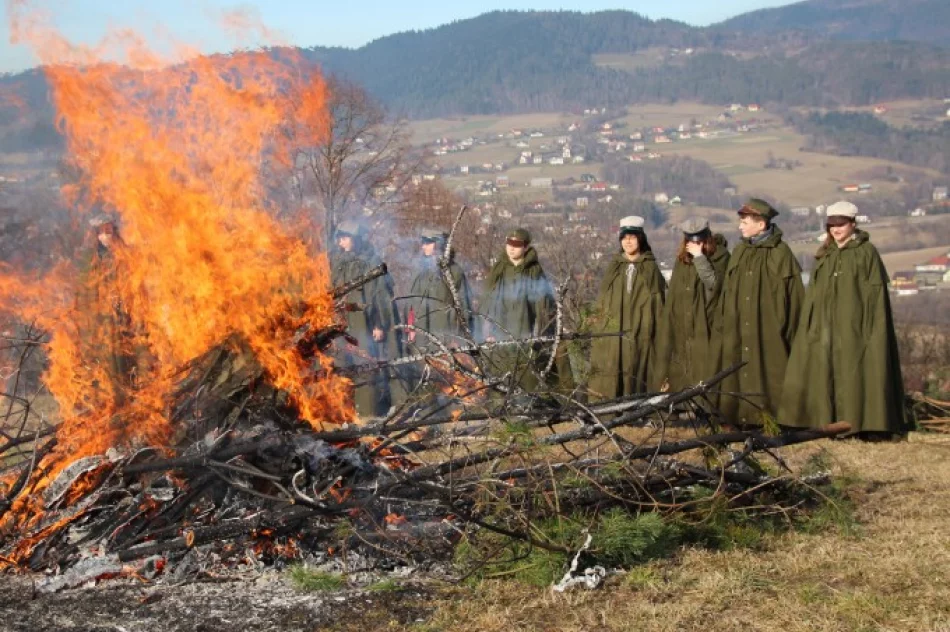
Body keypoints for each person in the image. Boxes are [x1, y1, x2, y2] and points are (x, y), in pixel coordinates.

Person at [779, 202, 909, 439]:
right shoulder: (825, 255)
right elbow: (815, 295)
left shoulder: (866, 252)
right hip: (824, 329)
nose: (836, 229)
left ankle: (860, 425)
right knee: (824, 374)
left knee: (855, 374)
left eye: (841, 224)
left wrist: (869, 329)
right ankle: (824, 424)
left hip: (855, 328)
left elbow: (875, 296)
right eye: (832, 225)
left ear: (852, 224)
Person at [718, 198, 804, 427]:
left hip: (769, 328)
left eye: (745, 222)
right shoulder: (739, 252)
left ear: (761, 224)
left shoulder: (781, 254)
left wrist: (787, 329)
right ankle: (740, 416)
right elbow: (728, 290)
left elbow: (794, 297)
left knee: (771, 371)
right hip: (738, 326)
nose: (740, 226)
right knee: (737, 369)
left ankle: (774, 419)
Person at [480, 228, 573, 392]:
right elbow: (487, 300)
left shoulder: (534, 271)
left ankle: (531, 408)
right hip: (500, 330)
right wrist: (486, 329)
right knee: (500, 375)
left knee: (528, 374)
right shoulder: (499, 269)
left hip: (526, 329)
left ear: (525, 247)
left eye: (517, 244)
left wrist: (544, 330)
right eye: (509, 243)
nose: (511, 248)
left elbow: (545, 303)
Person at [329, 220, 404, 417]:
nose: (341, 243)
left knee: (363, 364)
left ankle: (368, 413)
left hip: (363, 322)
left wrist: (379, 324)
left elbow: (380, 296)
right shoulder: (338, 262)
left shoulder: (370, 262)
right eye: (340, 239)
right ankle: (344, 413)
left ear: (356, 239)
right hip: (339, 323)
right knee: (341, 366)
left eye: (345, 238)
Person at [587, 216, 666, 400]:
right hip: (614, 331)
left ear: (641, 239)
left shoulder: (650, 267)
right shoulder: (614, 267)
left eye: (632, 237)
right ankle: (609, 408)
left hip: (642, 330)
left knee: (638, 366)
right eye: (624, 238)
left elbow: (658, 303)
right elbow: (603, 299)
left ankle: (639, 408)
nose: (628, 242)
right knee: (612, 367)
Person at [76, 213, 143, 406]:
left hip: (125, 316)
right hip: (101, 320)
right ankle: (109, 401)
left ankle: (131, 397)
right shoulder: (91, 260)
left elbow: (135, 283)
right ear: (96, 235)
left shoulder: (125, 255)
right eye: (102, 232)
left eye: (109, 230)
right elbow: (85, 292)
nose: (107, 235)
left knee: (128, 358)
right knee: (105, 362)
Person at [657, 217, 730, 392]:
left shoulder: (720, 256)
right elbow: (674, 294)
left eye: (699, 241)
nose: (695, 245)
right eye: (691, 241)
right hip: (682, 325)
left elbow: (714, 284)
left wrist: (699, 257)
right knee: (681, 371)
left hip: (707, 324)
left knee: (705, 371)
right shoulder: (682, 261)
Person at [399, 228, 473, 391]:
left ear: (439, 244)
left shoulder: (454, 271)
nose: (424, 246)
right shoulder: (419, 270)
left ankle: (449, 410)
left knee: (446, 376)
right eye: (423, 242)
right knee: (423, 376)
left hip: (444, 333)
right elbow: (411, 302)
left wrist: (460, 336)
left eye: (428, 242)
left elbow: (464, 306)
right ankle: (425, 409)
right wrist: (409, 327)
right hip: (421, 332)